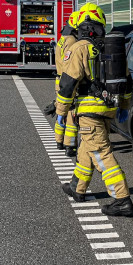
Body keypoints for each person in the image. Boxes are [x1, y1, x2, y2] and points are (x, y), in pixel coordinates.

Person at [56, 2, 133, 217]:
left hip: (88, 111)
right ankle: (77, 187)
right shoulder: (112, 48)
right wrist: (124, 106)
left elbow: (68, 84)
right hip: (108, 109)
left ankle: (122, 199)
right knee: (87, 148)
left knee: (101, 153)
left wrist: (61, 112)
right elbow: (127, 81)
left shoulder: (79, 48)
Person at [54, 11, 80, 157]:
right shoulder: (72, 41)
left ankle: (59, 140)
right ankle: (70, 145)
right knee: (71, 113)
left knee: (61, 110)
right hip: (67, 80)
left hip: (59, 80)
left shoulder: (63, 38)